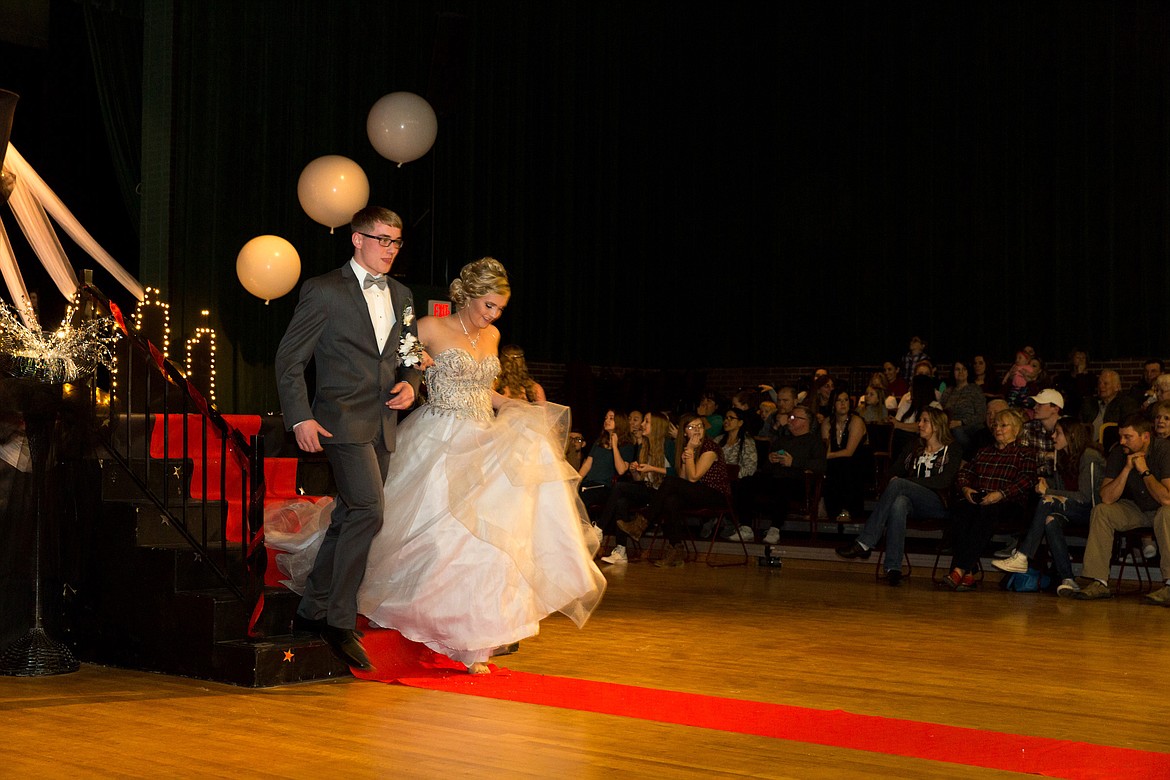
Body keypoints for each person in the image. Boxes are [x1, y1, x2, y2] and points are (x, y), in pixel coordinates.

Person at [278, 257, 606, 673]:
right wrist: (408, 384)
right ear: (467, 296)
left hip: (482, 438)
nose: (494, 315)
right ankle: (410, 611)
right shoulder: (428, 329)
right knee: (434, 532)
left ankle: (476, 640)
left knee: (485, 542)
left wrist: (518, 409)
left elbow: (485, 393)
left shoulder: (494, 337)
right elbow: (399, 368)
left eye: (500, 309)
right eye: (489, 305)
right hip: (437, 434)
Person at [274, 206, 423, 672]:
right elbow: (289, 360)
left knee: (348, 518)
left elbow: (411, 356)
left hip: (382, 424)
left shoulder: (402, 294)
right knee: (369, 511)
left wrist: (411, 384)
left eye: (396, 242)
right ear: (356, 239)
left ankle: (312, 608)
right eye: (383, 240)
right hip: (338, 421)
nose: (390, 250)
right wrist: (300, 417)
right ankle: (339, 620)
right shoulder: (323, 291)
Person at [836, 407, 962, 586]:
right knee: (898, 503)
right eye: (920, 420)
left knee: (899, 484)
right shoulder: (914, 446)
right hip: (911, 503)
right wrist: (904, 482)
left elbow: (943, 481)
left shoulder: (952, 448)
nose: (919, 424)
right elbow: (894, 471)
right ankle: (893, 568)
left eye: (925, 421)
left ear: (937, 425)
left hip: (938, 502)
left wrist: (909, 482)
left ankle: (865, 542)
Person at [992, 419, 1105, 596]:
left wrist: (1049, 490)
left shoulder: (1089, 456)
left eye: (1058, 433)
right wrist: (1047, 483)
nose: (1053, 436)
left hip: (1091, 511)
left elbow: (1086, 498)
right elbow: (1065, 487)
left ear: (1071, 436)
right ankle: (1067, 579)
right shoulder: (1061, 455)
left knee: (1047, 500)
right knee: (1050, 521)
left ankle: (1022, 556)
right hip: (1069, 508)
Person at [1072, 413, 1170, 601]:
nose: (1122, 441)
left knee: (1166, 513)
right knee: (1102, 511)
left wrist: (1144, 471)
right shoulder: (1119, 452)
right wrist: (1126, 469)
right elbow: (1107, 497)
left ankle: (1169, 584)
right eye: (1120, 436)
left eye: (1128, 437)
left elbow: (1166, 498)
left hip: (1161, 508)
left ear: (1146, 437)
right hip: (1137, 507)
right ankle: (1099, 581)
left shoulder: (1164, 450)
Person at [940, 407, 1037, 591]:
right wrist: (966, 488)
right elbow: (964, 473)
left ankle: (959, 568)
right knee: (961, 511)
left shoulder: (1025, 453)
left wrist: (1000, 494)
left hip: (1009, 504)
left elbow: (1027, 479)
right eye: (995, 425)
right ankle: (967, 573)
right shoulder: (984, 452)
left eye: (1003, 425)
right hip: (981, 499)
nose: (997, 429)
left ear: (1016, 430)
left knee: (986, 512)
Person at [644, 414, 733, 567]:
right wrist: (688, 452)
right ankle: (676, 550)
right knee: (671, 500)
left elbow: (693, 478)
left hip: (716, 495)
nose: (697, 430)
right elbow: (683, 478)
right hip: (697, 493)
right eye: (692, 427)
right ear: (685, 433)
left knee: (670, 482)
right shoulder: (687, 447)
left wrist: (690, 451)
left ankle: (644, 520)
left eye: (700, 426)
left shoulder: (710, 448)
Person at [598, 411, 675, 564]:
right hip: (648, 489)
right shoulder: (644, 445)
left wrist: (652, 468)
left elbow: (678, 472)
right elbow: (640, 479)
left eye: (646, 422)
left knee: (619, 487)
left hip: (663, 492)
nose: (642, 425)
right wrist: (635, 471)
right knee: (621, 501)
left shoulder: (668, 445)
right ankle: (621, 550)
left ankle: (599, 527)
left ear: (657, 426)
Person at [821, 388, 869, 521]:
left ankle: (847, 508)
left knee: (845, 464)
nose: (843, 404)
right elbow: (827, 450)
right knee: (832, 466)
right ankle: (831, 507)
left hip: (857, 460)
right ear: (833, 404)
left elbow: (849, 451)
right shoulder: (827, 422)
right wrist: (825, 458)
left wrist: (826, 457)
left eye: (846, 400)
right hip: (836, 461)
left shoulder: (856, 421)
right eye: (839, 400)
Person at [1079, 368, 1139, 448]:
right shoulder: (1089, 403)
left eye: (1105, 383)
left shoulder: (1127, 403)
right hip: (1087, 446)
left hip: (1112, 447)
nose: (1101, 386)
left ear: (1117, 387)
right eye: (1099, 383)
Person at [939, 359, 986, 450]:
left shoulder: (975, 390)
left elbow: (981, 415)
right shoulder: (948, 391)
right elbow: (941, 410)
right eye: (957, 369)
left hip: (971, 426)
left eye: (964, 369)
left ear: (968, 372)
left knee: (957, 431)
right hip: (949, 425)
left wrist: (960, 422)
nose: (961, 372)